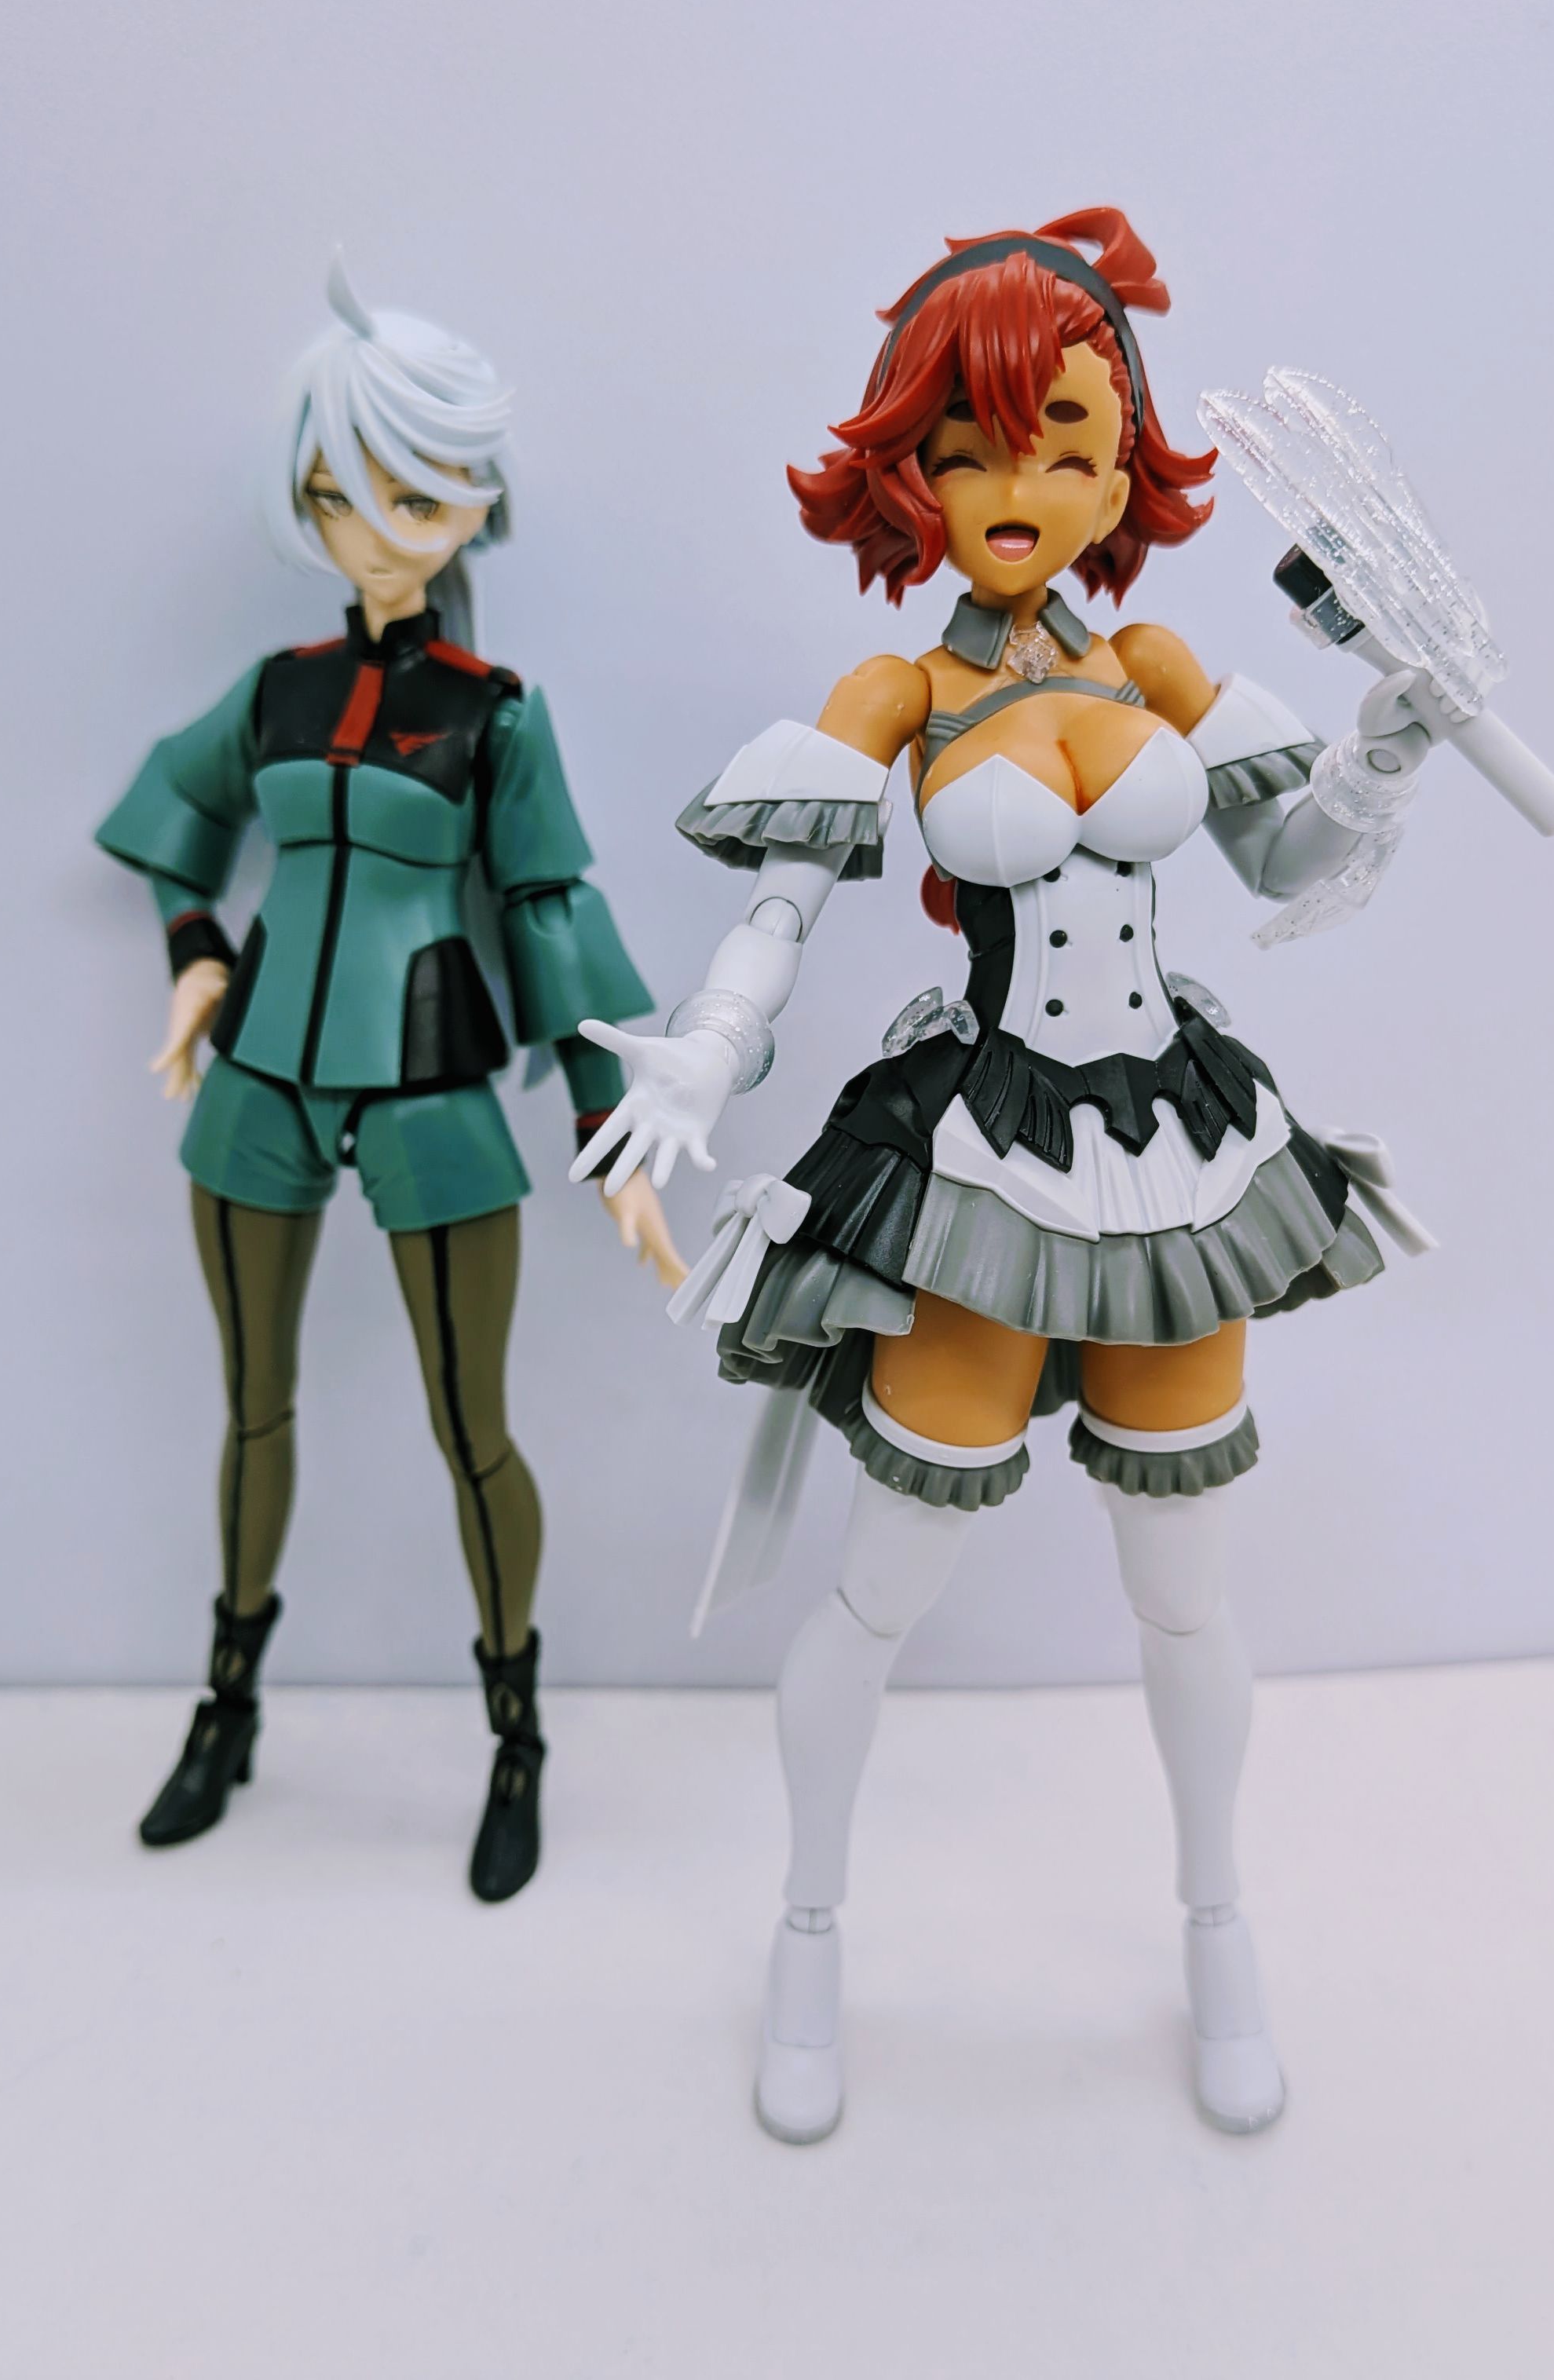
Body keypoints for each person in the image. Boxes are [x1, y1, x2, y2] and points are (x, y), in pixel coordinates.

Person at [573, 210, 1451, 2133]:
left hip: (1180, 1154)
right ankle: (809, 1929)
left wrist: (1377, 756)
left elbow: (1285, 865)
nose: (1016, 491)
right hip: (984, 1165)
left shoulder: (1156, 659)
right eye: (967, 450)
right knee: (883, 1586)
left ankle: (1218, 1924)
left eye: (1064, 444)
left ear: (1121, 470)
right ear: (911, 473)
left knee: (1185, 1597)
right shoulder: (896, 696)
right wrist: (707, 1049)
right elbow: (778, 917)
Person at [98, 259, 680, 1902]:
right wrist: (193, 958)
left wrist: (611, 1124)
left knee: (470, 1427)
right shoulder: (279, 688)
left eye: (414, 496)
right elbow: (173, 818)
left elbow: (552, 910)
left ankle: (516, 1732)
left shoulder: (495, 716)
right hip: (258, 1073)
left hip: (429, 1080)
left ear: (473, 502)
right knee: (252, 1403)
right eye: (337, 494)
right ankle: (227, 1706)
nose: (372, 530)